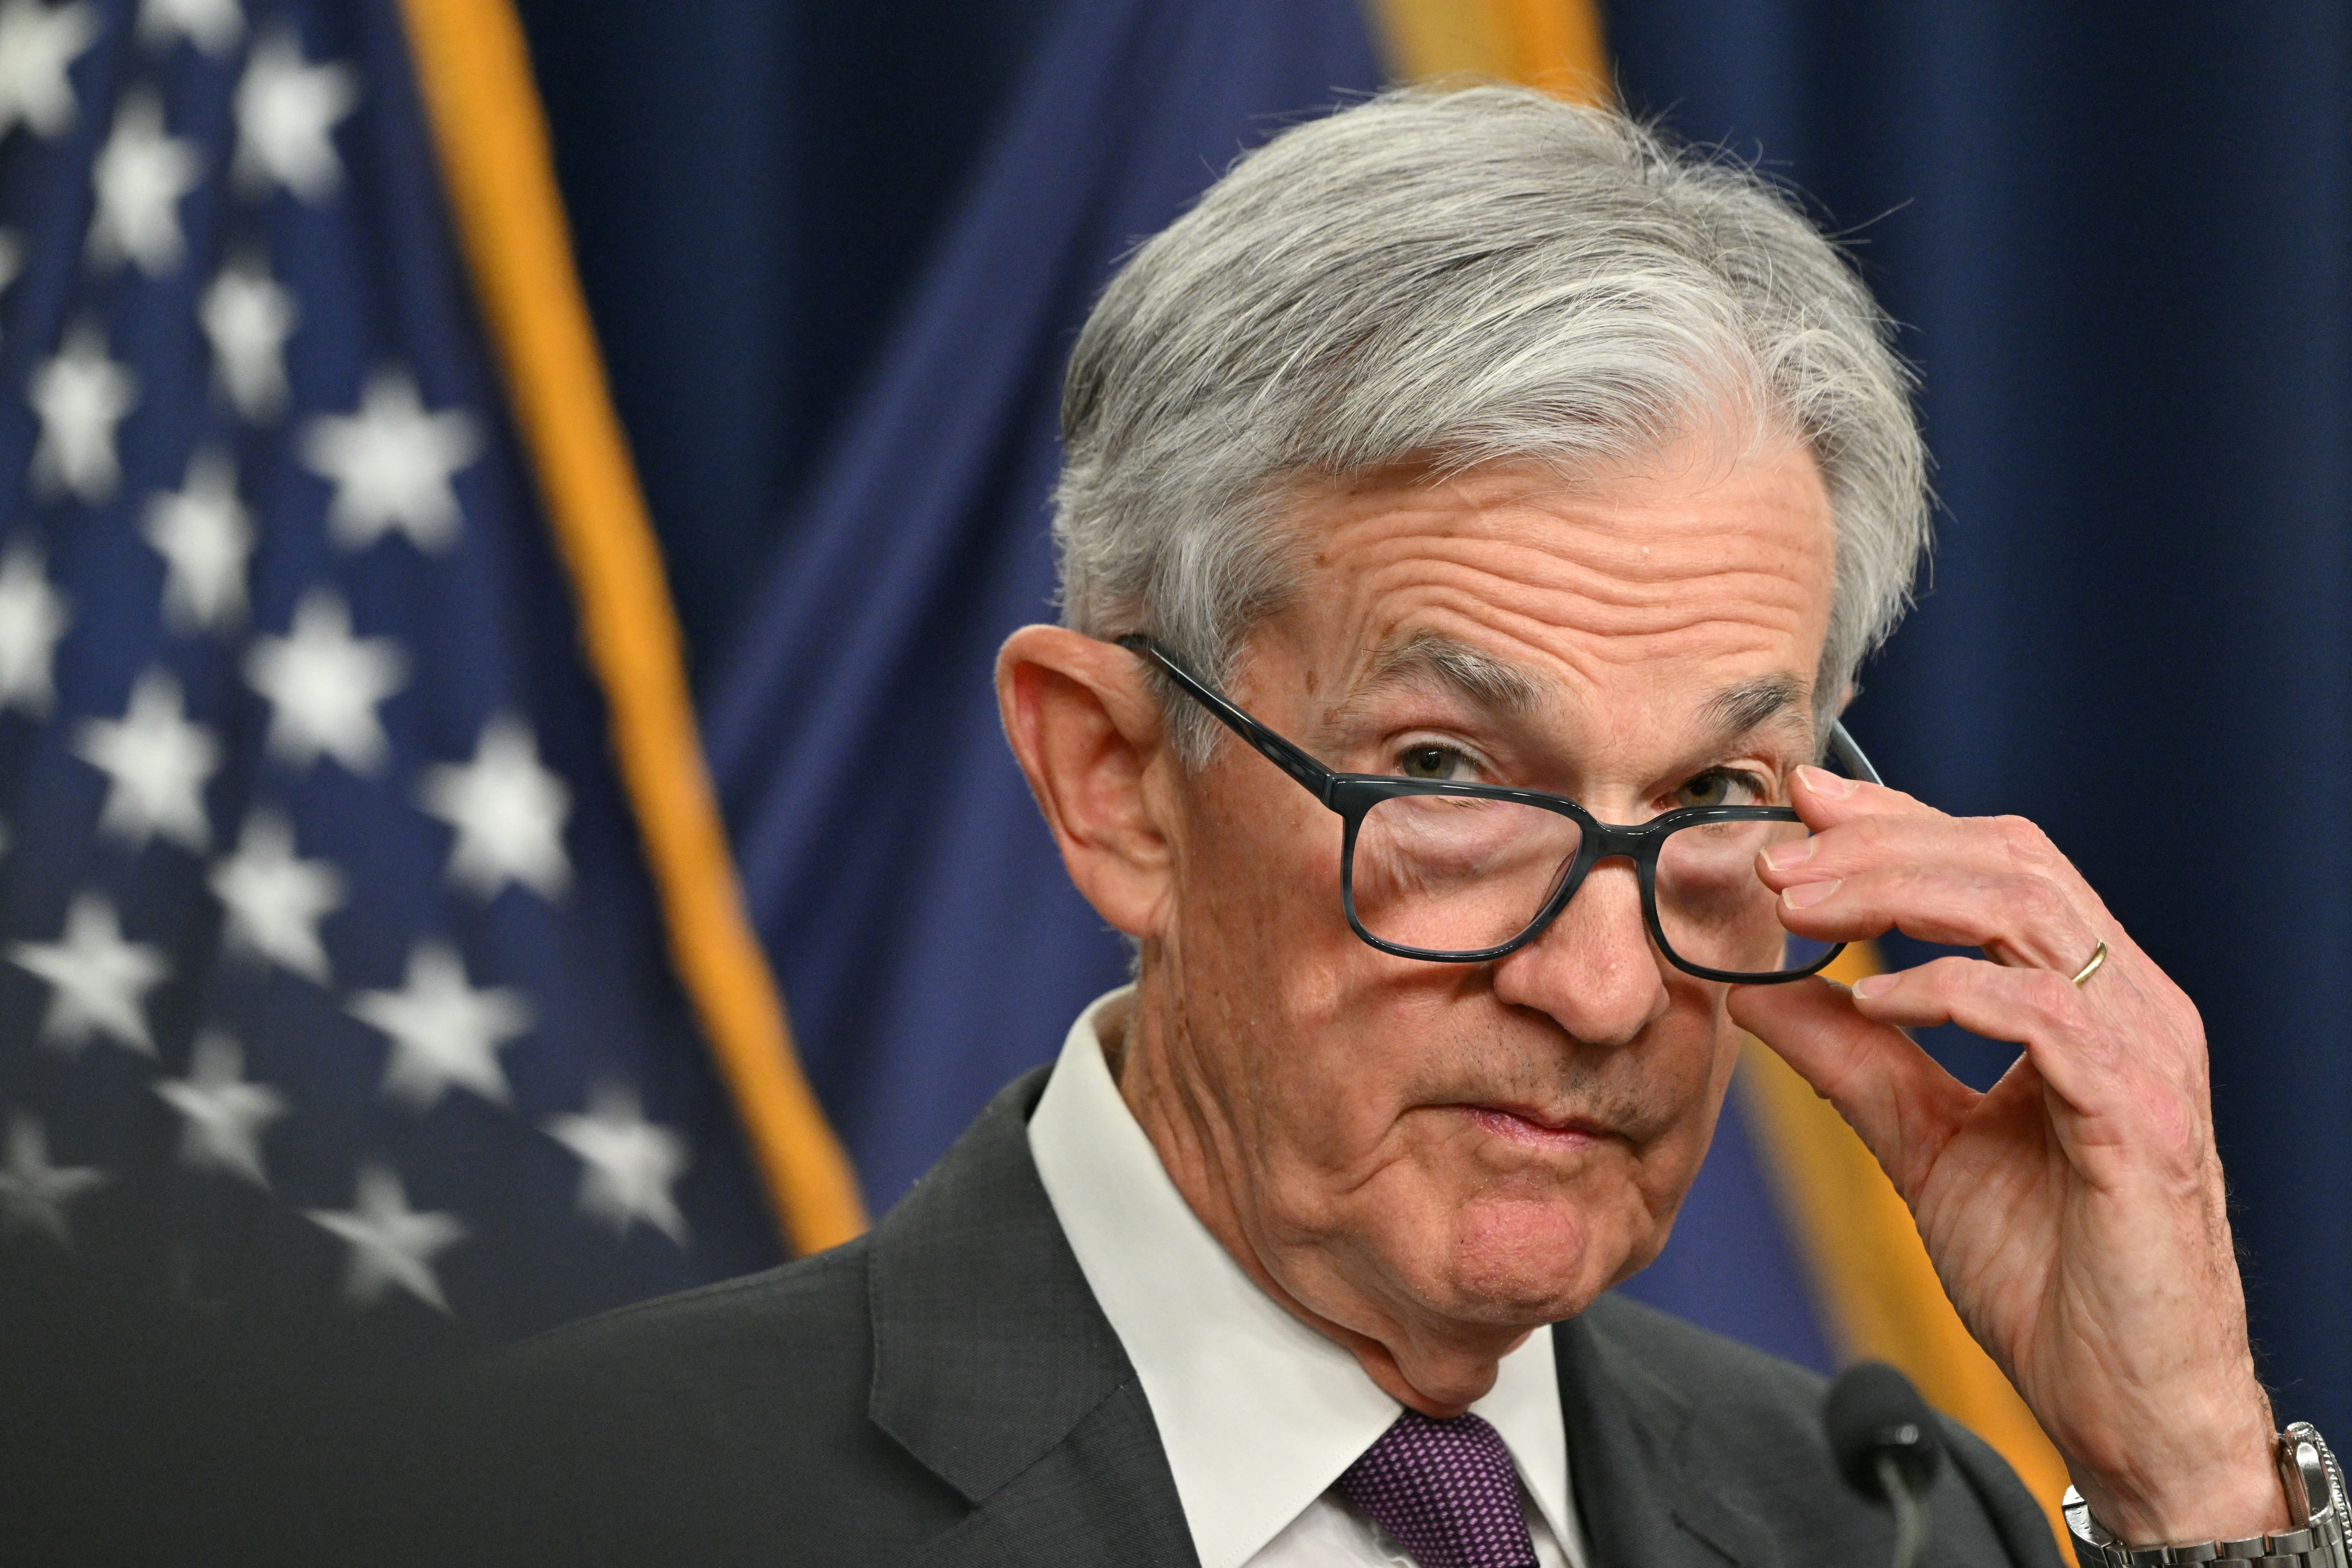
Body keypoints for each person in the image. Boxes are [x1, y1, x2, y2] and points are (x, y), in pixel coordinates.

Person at [460, 87, 2334, 1568]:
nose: (1604, 991)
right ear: (1113, 784)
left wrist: (2182, 1480)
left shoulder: (1876, 1522)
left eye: (1705, 801)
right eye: (1445, 783)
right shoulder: (560, 1516)